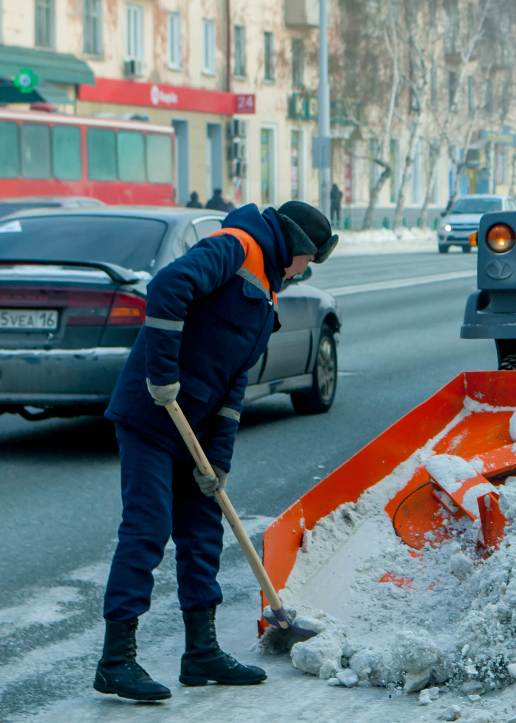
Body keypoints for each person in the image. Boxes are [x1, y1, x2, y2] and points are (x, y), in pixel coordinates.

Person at [94, 201, 338, 702]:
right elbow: (167, 288)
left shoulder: (267, 291)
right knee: (147, 528)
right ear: (293, 245)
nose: (304, 271)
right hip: (151, 415)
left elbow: (234, 384)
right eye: (306, 260)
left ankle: (200, 653)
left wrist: (219, 461)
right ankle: (115, 660)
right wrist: (162, 375)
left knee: (203, 533)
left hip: (197, 429)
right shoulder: (235, 247)